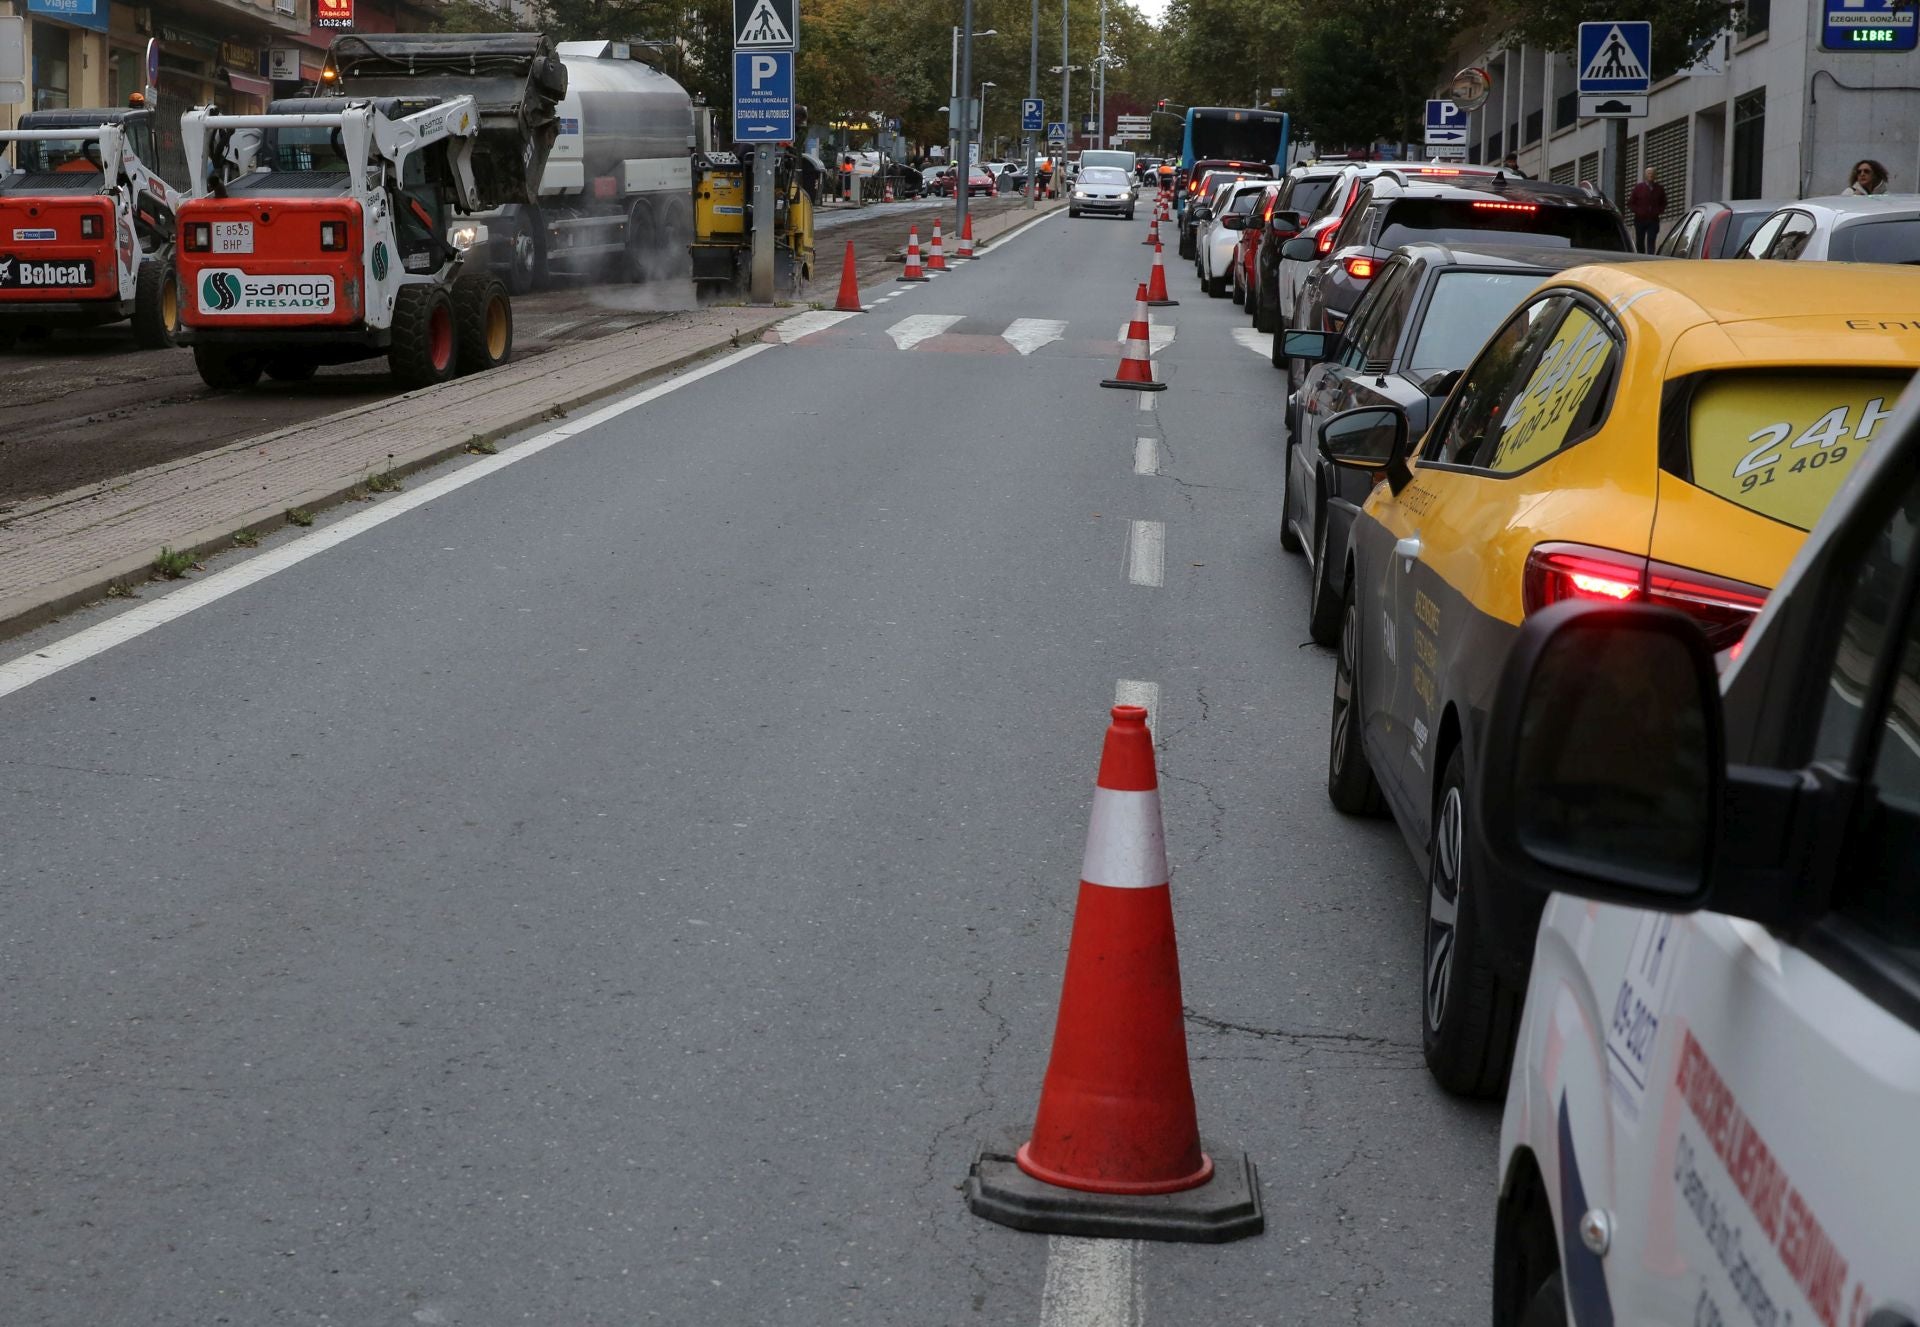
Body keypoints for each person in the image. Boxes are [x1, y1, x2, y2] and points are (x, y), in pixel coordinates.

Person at [1627, 165, 1666, 253]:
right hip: (1640, 220)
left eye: (1652, 173)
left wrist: (1659, 211)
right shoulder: (1638, 188)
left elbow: (1663, 202)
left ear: (1655, 175)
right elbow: (1631, 203)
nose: (1650, 175)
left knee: (1651, 241)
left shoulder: (1659, 189)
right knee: (1640, 241)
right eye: (1649, 173)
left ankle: (1650, 257)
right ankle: (1641, 257)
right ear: (1645, 175)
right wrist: (1638, 211)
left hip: (1653, 220)